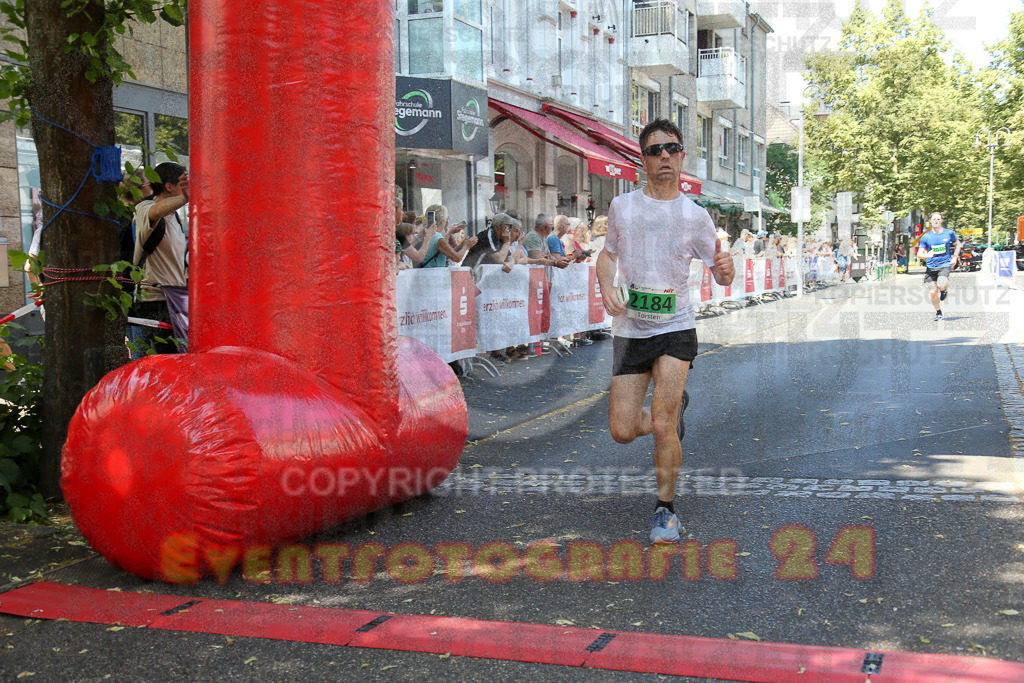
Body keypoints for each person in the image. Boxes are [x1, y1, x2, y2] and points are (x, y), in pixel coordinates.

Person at [596, 118, 735, 543]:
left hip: (676, 326)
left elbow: (722, 273)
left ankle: (665, 511)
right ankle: (671, 416)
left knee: (662, 422)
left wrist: (726, 268)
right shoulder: (623, 207)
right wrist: (606, 287)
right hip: (631, 329)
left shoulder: (695, 216)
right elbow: (607, 255)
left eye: (671, 149)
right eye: (655, 151)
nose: (664, 157)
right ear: (643, 160)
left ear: (682, 156)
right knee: (622, 430)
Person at [132, 161, 189, 353]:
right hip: (154, 302)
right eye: (183, 183)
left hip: (175, 301)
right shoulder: (144, 208)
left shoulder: (175, 217)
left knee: (177, 360)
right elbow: (156, 211)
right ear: (169, 186)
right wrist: (185, 199)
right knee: (164, 362)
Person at [916, 211, 960, 321]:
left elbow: (958, 244)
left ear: (941, 221)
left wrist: (955, 257)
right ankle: (938, 312)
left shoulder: (949, 233)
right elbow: (919, 254)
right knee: (933, 291)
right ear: (930, 221)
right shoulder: (926, 237)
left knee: (941, 283)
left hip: (944, 264)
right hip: (931, 266)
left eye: (938, 219)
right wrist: (927, 255)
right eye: (934, 219)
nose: (936, 221)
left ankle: (943, 290)